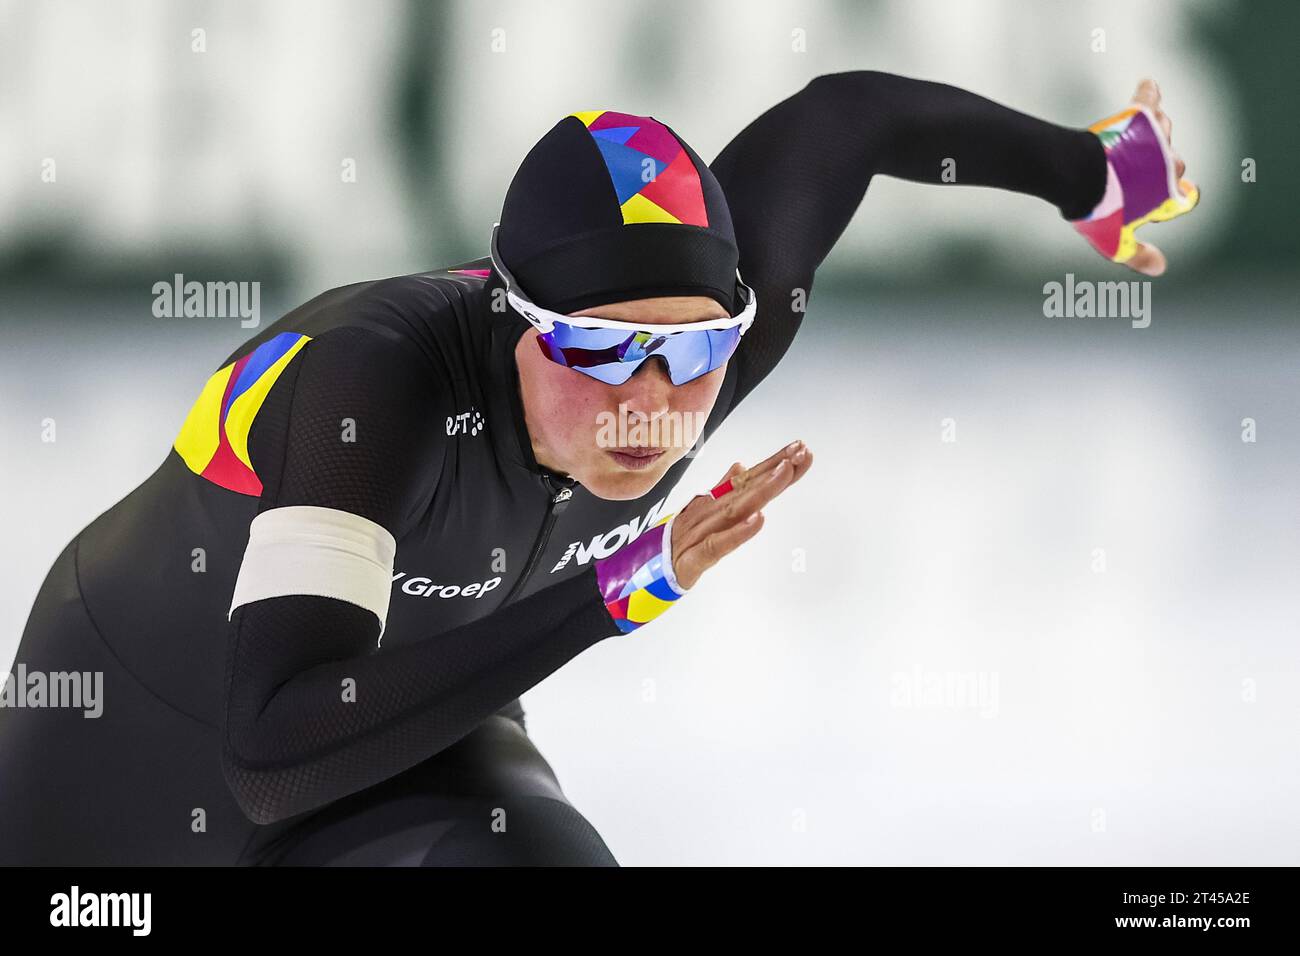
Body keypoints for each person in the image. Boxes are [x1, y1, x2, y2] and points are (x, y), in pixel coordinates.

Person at [0, 72, 1196, 865]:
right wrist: (620, 589)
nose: (648, 402)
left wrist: (1095, 174)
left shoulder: (722, 341)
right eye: (596, 348)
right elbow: (269, 753)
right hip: (130, 736)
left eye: (688, 353)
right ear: (517, 323)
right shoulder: (380, 384)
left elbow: (851, 120)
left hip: (403, 728)